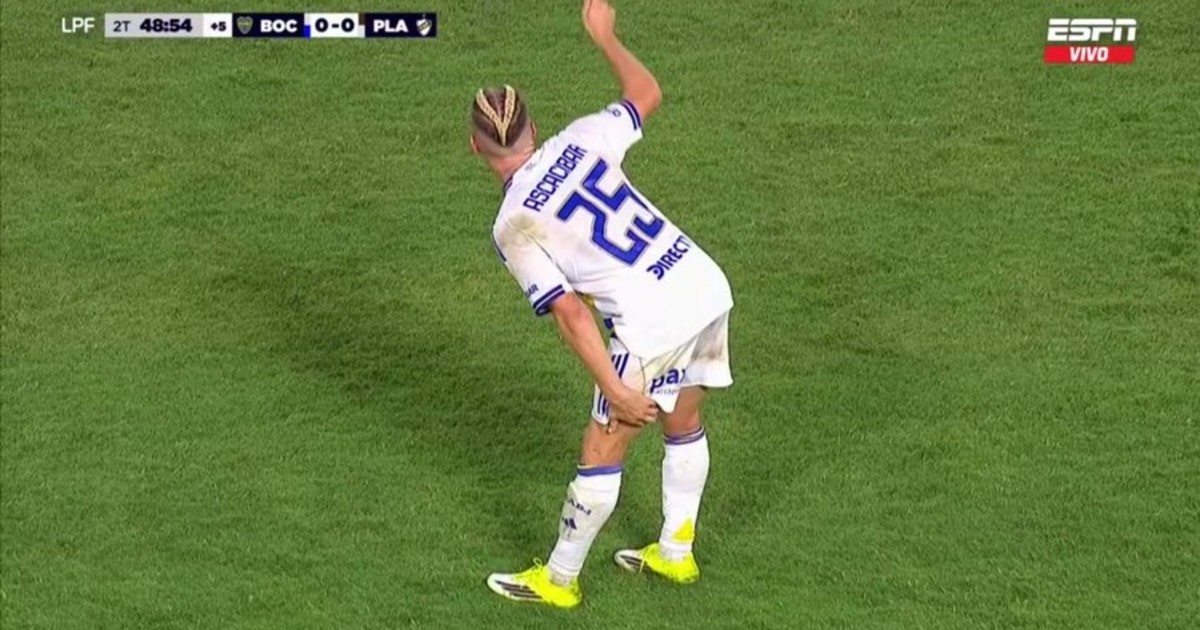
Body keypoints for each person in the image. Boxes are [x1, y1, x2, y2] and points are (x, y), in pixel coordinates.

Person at [471, 0, 734, 609]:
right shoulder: (582, 139)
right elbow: (646, 92)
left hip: (651, 322)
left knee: (602, 448)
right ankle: (676, 551)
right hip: (700, 282)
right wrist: (605, 38)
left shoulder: (514, 224)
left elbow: (569, 312)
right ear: (534, 129)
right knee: (683, 418)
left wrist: (614, 390)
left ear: (475, 148)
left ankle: (559, 580)